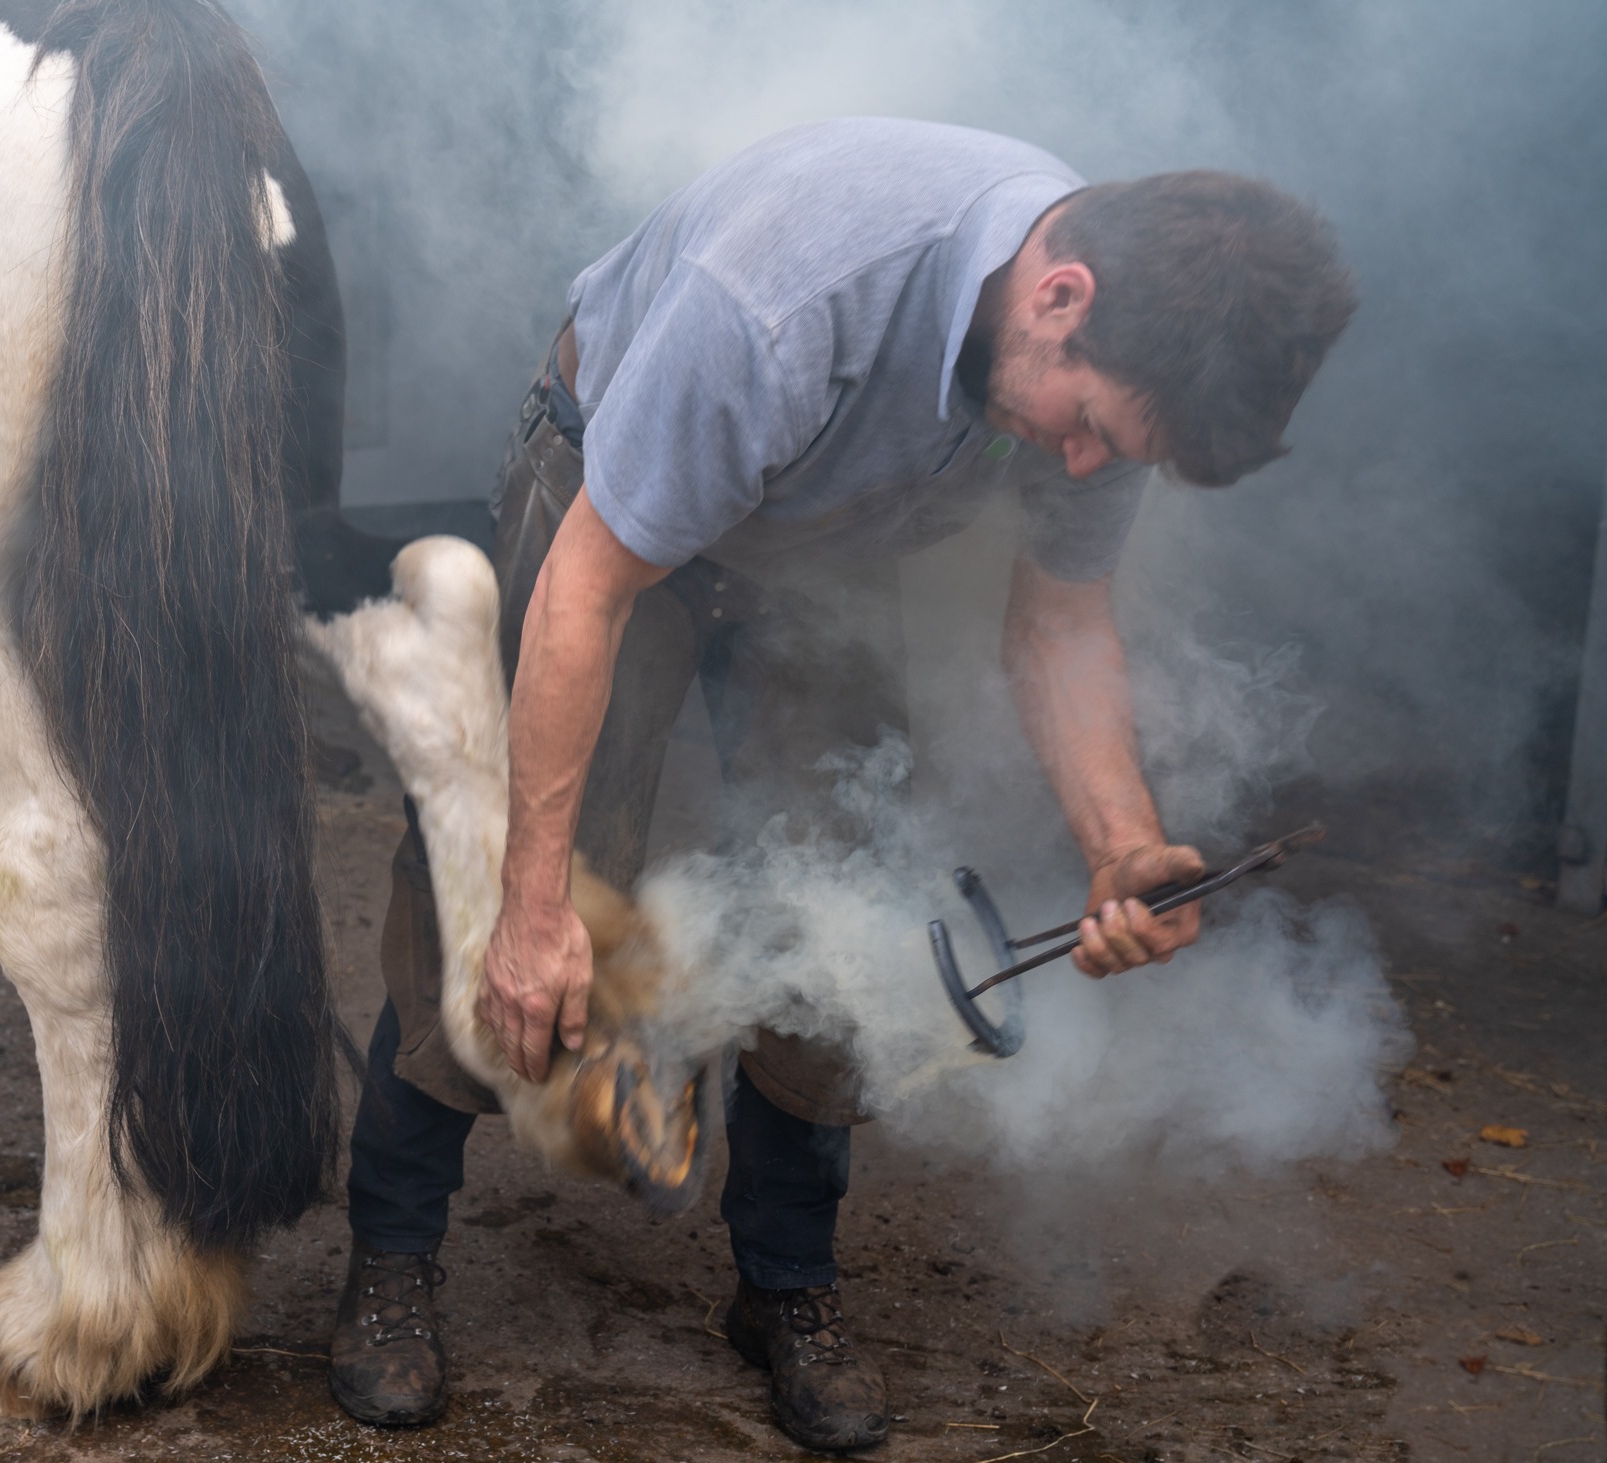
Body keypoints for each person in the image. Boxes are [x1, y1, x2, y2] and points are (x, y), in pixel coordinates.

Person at [327, 118, 1355, 1452]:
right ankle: (394, 1256)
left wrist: (1123, 844)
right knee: (512, 888)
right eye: (1090, 430)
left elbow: (1058, 623)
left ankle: (788, 1285)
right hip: (612, 491)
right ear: (1059, 298)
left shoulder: (1110, 367)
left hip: (827, 533)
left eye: (1116, 451)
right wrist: (532, 906)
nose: (1087, 468)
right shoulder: (780, 306)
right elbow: (586, 592)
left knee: (862, 887)